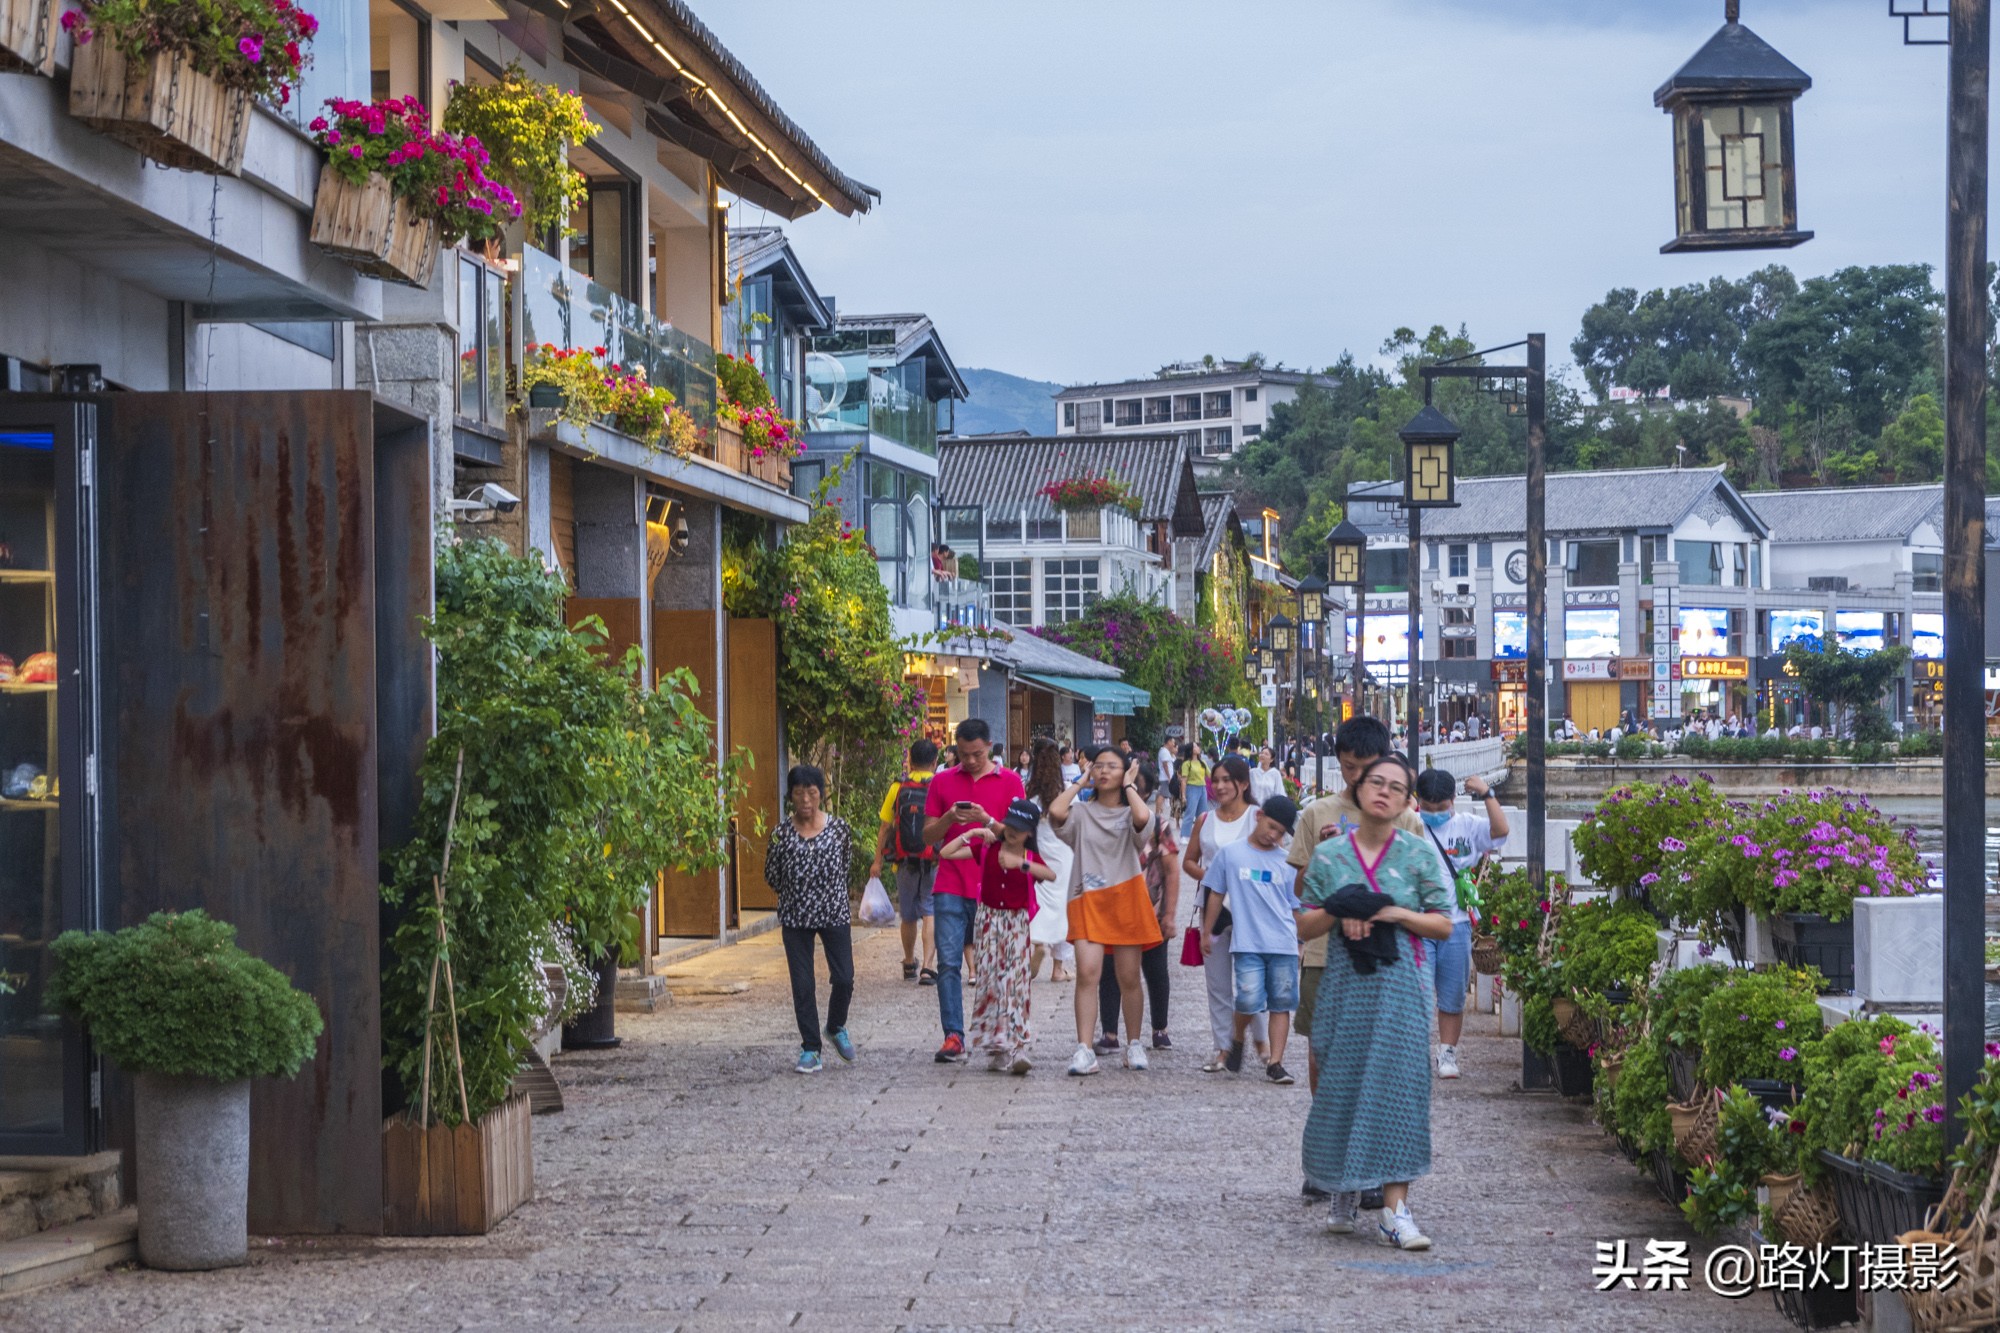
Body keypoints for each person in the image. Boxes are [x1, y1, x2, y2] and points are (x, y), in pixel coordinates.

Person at [1297, 752, 1454, 1249]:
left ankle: (1395, 1209)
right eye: (1375, 782)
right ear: (1359, 789)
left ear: (1408, 800)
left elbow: (1443, 923)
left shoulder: (1417, 853)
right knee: (1341, 1083)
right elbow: (1304, 923)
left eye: (1396, 787)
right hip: (1346, 985)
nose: (1384, 792)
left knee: (1401, 1090)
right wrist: (1340, 908)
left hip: (1401, 987)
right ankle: (1342, 1186)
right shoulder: (1330, 856)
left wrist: (1389, 911)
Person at [1286, 714, 1425, 1200]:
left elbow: (1422, 892)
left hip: (1384, 955)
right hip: (1327, 951)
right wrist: (1328, 860)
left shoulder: (1406, 817)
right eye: (1348, 768)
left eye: (1367, 767)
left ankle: (1373, 1164)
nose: (1358, 779)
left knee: (1381, 1059)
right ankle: (1331, 1155)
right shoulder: (1317, 813)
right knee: (1324, 1050)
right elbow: (1301, 891)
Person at [920, 718, 1027, 1063]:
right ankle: (953, 1036)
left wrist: (985, 820)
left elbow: (1023, 838)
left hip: (995, 888)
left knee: (995, 965)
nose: (969, 761)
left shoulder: (1011, 782)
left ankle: (999, 1037)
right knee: (949, 963)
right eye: (963, 755)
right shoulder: (941, 781)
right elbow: (927, 838)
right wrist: (950, 819)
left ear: (990, 747)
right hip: (950, 882)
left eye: (977, 754)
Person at [1049, 746, 1158, 1076]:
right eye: (1099, 766)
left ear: (1126, 772)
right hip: (1087, 900)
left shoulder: (1131, 813)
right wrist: (1079, 784)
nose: (1104, 771)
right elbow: (1055, 811)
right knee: (1087, 972)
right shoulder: (1081, 814)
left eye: (1113, 766)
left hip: (1126, 900)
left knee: (1128, 977)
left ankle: (1134, 1043)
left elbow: (1143, 819)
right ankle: (1084, 1049)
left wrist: (1128, 786)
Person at [939, 798, 1052, 1075]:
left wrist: (1019, 864)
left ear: (1030, 833)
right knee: (990, 980)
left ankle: (1018, 1045)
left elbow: (1049, 873)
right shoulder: (988, 848)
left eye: (1020, 828)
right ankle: (997, 1047)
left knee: (1014, 983)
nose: (1013, 832)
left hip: (1016, 923)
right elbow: (946, 853)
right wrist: (971, 833)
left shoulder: (1028, 856)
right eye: (1010, 825)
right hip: (987, 921)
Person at [1412, 767, 1508, 1080]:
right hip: (1418, 922)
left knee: (1452, 995)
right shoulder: (1411, 826)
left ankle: (1448, 1052)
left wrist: (1488, 794)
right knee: (1418, 991)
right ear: (1418, 801)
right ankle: (1412, 1053)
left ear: (1453, 800)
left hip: (1455, 922)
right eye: (1428, 808)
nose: (1435, 813)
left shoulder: (1466, 825)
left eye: (1441, 808)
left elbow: (1500, 831)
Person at [1203, 794, 1303, 1084]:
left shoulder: (1288, 862)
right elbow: (1216, 894)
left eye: (1281, 832)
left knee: (1281, 1003)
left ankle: (1276, 1062)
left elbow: (1296, 906)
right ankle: (1237, 1037)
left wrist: (1301, 942)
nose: (1274, 836)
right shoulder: (1231, 854)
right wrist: (1207, 932)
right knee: (1248, 999)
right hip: (1247, 942)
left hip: (1282, 942)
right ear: (1259, 816)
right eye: (1271, 827)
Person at [764, 766, 857, 1075]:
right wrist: (797, 893)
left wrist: (826, 893)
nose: (805, 799)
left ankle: (835, 1026)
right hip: (795, 916)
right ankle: (810, 1048)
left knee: (844, 977)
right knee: (803, 984)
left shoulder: (839, 829)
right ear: (790, 796)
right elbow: (772, 875)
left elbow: (845, 867)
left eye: (812, 792)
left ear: (821, 795)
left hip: (834, 912)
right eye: (799, 792)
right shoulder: (780, 834)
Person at [1185, 755, 1268, 1074]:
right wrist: (1214, 875)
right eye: (1214, 780)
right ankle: (1223, 1047)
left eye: (1225, 780)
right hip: (1214, 910)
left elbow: (1274, 855)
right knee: (1217, 982)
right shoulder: (1205, 820)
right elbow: (1189, 861)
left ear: (1243, 784)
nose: (1218, 786)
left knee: (1252, 981)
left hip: (1251, 909)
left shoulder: (1257, 817)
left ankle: (1261, 1041)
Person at [1098, 761, 1178, 1051]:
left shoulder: (1159, 826)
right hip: (1112, 911)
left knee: (1156, 971)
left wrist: (1168, 913)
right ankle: (1109, 1032)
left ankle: (1159, 1028)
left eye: (1136, 789)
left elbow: (1171, 872)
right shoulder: (1107, 823)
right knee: (1109, 972)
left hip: (1150, 910)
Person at [869, 738, 940, 986]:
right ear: (935, 761)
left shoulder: (897, 788)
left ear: (910, 759)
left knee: (908, 914)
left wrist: (877, 861)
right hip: (932, 860)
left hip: (903, 860)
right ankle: (928, 967)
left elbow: (885, 827)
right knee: (930, 910)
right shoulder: (939, 786)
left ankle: (909, 962)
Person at [1024, 737, 1076, 984]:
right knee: (1064, 908)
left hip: (1039, 854)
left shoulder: (1028, 791)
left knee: (1040, 902)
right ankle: (1058, 968)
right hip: (1064, 854)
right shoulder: (1066, 792)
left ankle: (1038, 940)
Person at [1177, 742, 1211, 837]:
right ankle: (1184, 835)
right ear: (1191, 750)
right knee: (1190, 813)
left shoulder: (1202, 763)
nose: (1198, 748)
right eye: (1195, 746)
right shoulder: (1187, 764)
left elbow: (1210, 775)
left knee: (1203, 814)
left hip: (1202, 788)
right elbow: (1184, 780)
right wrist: (1183, 795)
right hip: (1192, 788)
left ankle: (1202, 834)